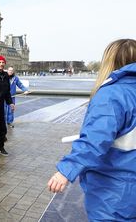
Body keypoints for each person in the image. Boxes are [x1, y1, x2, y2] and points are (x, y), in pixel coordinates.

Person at [47, 39, 136, 221]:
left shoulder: (112, 94)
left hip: (114, 190)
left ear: (110, 61)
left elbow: (95, 140)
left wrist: (66, 170)